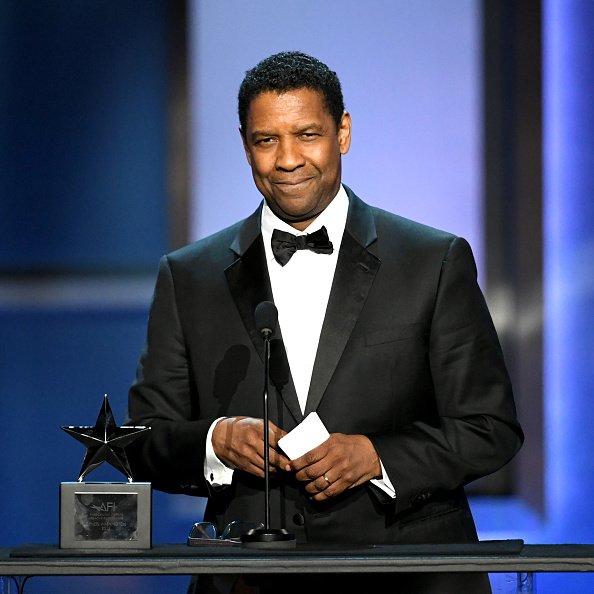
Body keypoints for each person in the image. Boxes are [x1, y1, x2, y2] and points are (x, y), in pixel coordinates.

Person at [126, 50, 523, 593]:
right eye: (267, 140)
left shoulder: (433, 260)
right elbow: (144, 440)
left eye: (307, 134)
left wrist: (377, 457)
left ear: (343, 132)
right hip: (250, 581)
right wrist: (216, 442)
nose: (288, 159)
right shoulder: (189, 276)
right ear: (246, 146)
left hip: (405, 578)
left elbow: (490, 428)